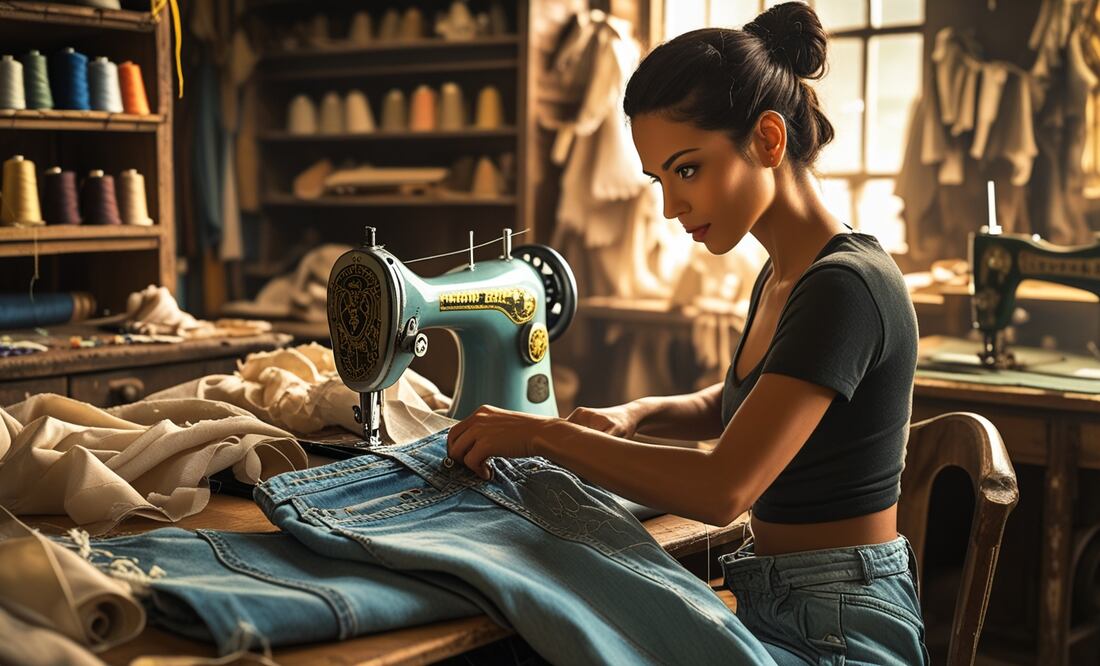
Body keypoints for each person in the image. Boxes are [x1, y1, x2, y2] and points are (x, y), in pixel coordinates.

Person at [446, 3, 927, 663]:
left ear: (767, 140)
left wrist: (542, 434)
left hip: (840, 638)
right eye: (659, 180)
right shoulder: (787, 275)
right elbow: (744, 403)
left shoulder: (844, 287)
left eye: (688, 169)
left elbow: (724, 485)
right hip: (788, 607)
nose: (671, 207)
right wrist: (636, 413)